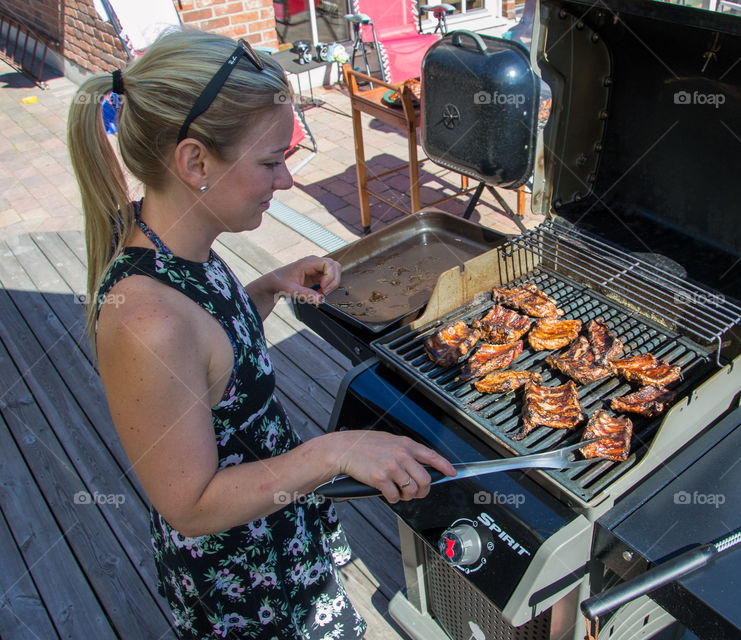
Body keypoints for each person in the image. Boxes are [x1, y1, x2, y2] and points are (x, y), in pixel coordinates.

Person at [66, 28, 455, 639]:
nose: (288, 182)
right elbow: (189, 505)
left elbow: (208, 360)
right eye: (272, 161)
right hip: (244, 583)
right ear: (195, 162)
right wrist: (333, 452)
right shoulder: (146, 322)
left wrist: (267, 287)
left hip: (278, 525)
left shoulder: (177, 244)